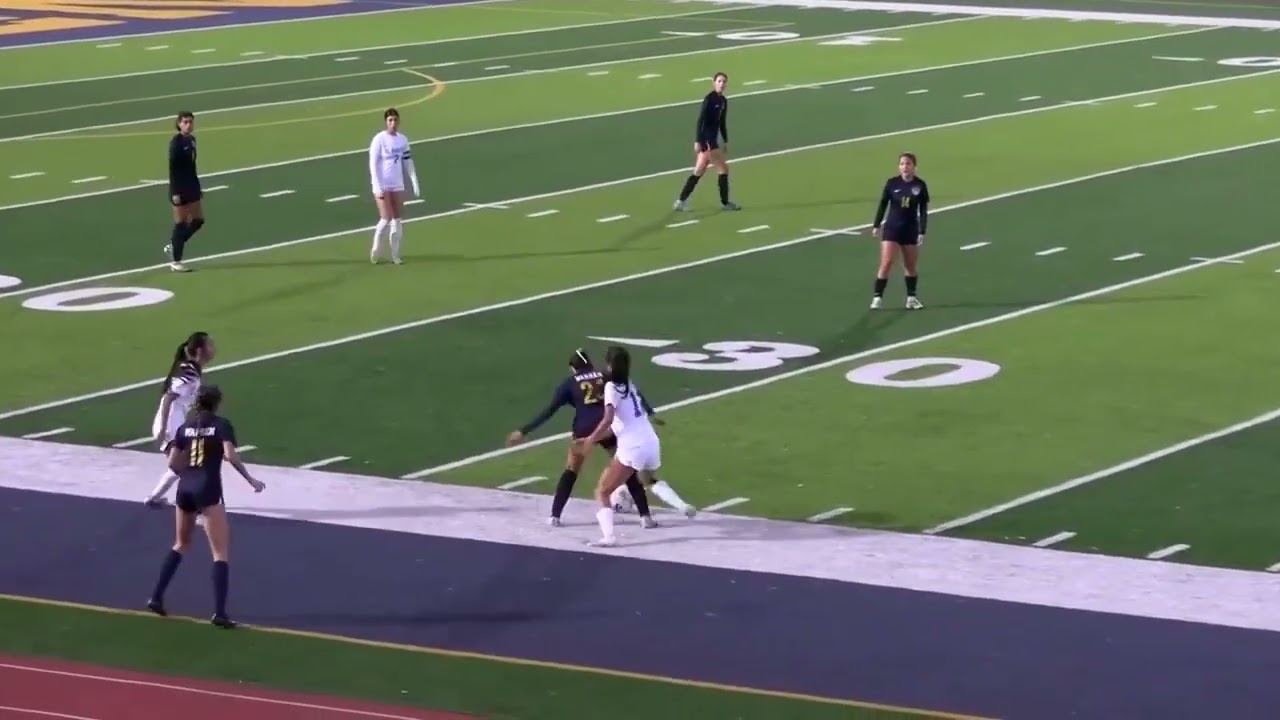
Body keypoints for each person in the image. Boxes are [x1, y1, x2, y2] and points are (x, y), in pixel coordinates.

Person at [146, 385, 264, 628]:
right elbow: (230, 456)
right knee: (220, 552)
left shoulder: (185, 427)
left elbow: (173, 464)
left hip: (185, 489)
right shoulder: (222, 425)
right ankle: (219, 612)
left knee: (181, 543)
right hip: (208, 489)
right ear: (217, 403)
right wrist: (251, 479)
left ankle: (156, 596)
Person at [507, 349, 659, 528]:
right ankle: (645, 516)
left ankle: (555, 515)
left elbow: (549, 411)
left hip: (584, 429)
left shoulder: (569, 383)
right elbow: (632, 391)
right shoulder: (604, 376)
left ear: (573, 368)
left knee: (571, 470)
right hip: (607, 428)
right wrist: (650, 411)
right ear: (589, 364)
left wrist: (523, 431)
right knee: (627, 470)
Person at [576, 347, 689, 547]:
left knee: (602, 491)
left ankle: (609, 537)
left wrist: (590, 439)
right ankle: (681, 505)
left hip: (632, 446)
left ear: (610, 365)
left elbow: (608, 419)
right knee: (647, 479)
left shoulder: (611, 387)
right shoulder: (630, 384)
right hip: (651, 441)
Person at [145, 332, 216, 507]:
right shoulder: (189, 371)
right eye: (210, 345)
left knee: (181, 467)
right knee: (185, 466)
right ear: (200, 350)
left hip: (174, 422)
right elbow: (169, 397)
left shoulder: (192, 369)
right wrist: (162, 428)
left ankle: (154, 498)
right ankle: (197, 506)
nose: (213, 349)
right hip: (170, 423)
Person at [672, 72, 740, 212]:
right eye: (719, 81)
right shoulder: (709, 99)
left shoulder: (723, 101)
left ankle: (680, 201)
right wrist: (698, 140)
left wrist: (725, 140)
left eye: (724, 81)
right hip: (707, 141)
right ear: (714, 83)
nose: (722, 84)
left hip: (712, 140)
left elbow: (722, 122)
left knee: (698, 171)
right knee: (723, 169)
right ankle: (725, 203)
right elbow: (700, 120)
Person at [870, 152, 930, 310]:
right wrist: (876, 225)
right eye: (902, 164)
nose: (905, 167)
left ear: (914, 167)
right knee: (887, 262)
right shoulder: (892, 183)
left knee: (910, 265)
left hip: (910, 229)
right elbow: (883, 204)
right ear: (899, 166)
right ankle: (877, 297)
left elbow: (923, 210)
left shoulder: (920, 185)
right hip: (892, 229)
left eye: (908, 164)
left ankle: (911, 298)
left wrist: (922, 231)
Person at [368, 108, 420, 265]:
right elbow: (373, 164)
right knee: (385, 219)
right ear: (386, 122)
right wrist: (377, 186)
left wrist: (414, 181)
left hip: (397, 184)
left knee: (397, 219)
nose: (393, 123)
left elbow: (408, 161)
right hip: (383, 185)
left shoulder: (402, 140)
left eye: (395, 120)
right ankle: (376, 249)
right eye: (390, 120)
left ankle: (395, 255)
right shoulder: (379, 139)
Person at [164, 111, 206, 273]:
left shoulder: (192, 140)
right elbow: (173, 169)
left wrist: (197, 186)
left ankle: (174, 246)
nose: (188, 125)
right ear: (179, 124)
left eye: (190, 122)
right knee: (180, 225)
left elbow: (192, 167)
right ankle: (176, 261)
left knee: (198, 221)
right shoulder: (176, 143)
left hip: (192, 186)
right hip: (180, 189)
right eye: (185, 122)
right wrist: (175, 192)